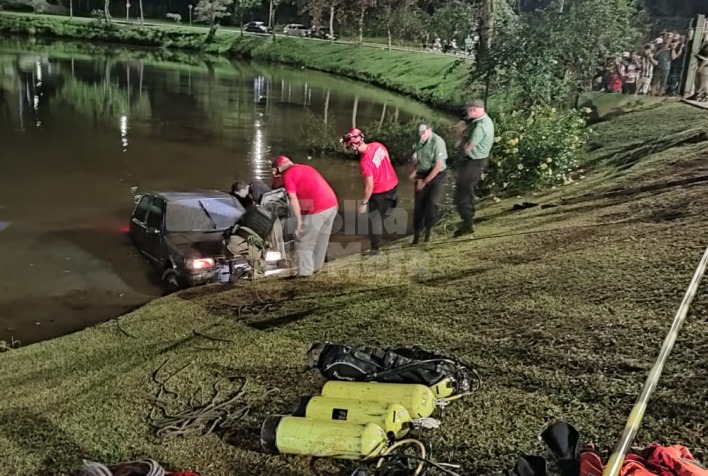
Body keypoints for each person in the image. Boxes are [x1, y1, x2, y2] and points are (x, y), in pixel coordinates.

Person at [271, 155, 338, 277]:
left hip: (318, 208)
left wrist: (300, 223)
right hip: (332, 204)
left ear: (279, 168)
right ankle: (316, 268)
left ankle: (305, 274)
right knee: (320, 240)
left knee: (303, 241)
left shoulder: (288, 174)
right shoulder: (306, 168)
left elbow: (293, 198)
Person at [340, 128, 399, 256]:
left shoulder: (365, 162)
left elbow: (369, 186)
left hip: (380, 193)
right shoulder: (378, 145)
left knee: (374, 220)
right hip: (393, 186)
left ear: (354, 145)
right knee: (383, 215)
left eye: (350, 146)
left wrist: (364, 203)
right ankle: (388, 235)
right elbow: (387, 160)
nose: (350, 148)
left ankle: (375, 249)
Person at [455, 99, 494, 237]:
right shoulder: (485, 121)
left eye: (468, 110)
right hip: (479, 160)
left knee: (462, 194)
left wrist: (460, 137)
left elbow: (467, 148)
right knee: (467, 191)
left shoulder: (479, 127)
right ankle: (468, 220)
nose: (466, 113)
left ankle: (468, 223)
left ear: (474, 110)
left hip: (473, 162)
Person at [409, 123, 448, 244]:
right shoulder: (419, 142)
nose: (422, 136)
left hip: (437, 174)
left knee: (432, 202)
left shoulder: (438, 142)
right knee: (419, 204)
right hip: (422, 172)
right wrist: (415, 172)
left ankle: (429, 231)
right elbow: (417, 159)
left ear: (429, 130)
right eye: (420, 134)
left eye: (423, 133)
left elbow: (438, 166)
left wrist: (425, 182)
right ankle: (416, 234)